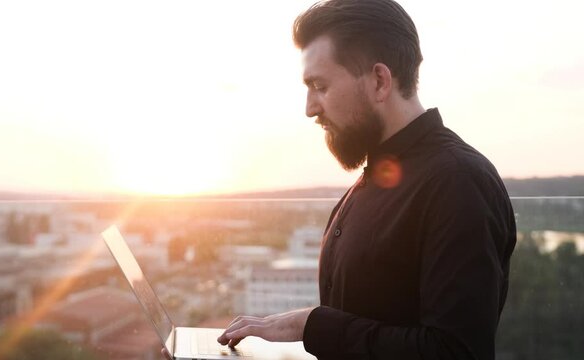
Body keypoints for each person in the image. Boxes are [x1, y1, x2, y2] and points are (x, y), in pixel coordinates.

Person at [168, 0, 517, 359]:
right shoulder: (376, 180)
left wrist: (311, 325)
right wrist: (295, 329)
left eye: (320, 85)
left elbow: (455, 352)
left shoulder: (457, 183)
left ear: (380, 81)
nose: (310, 108)